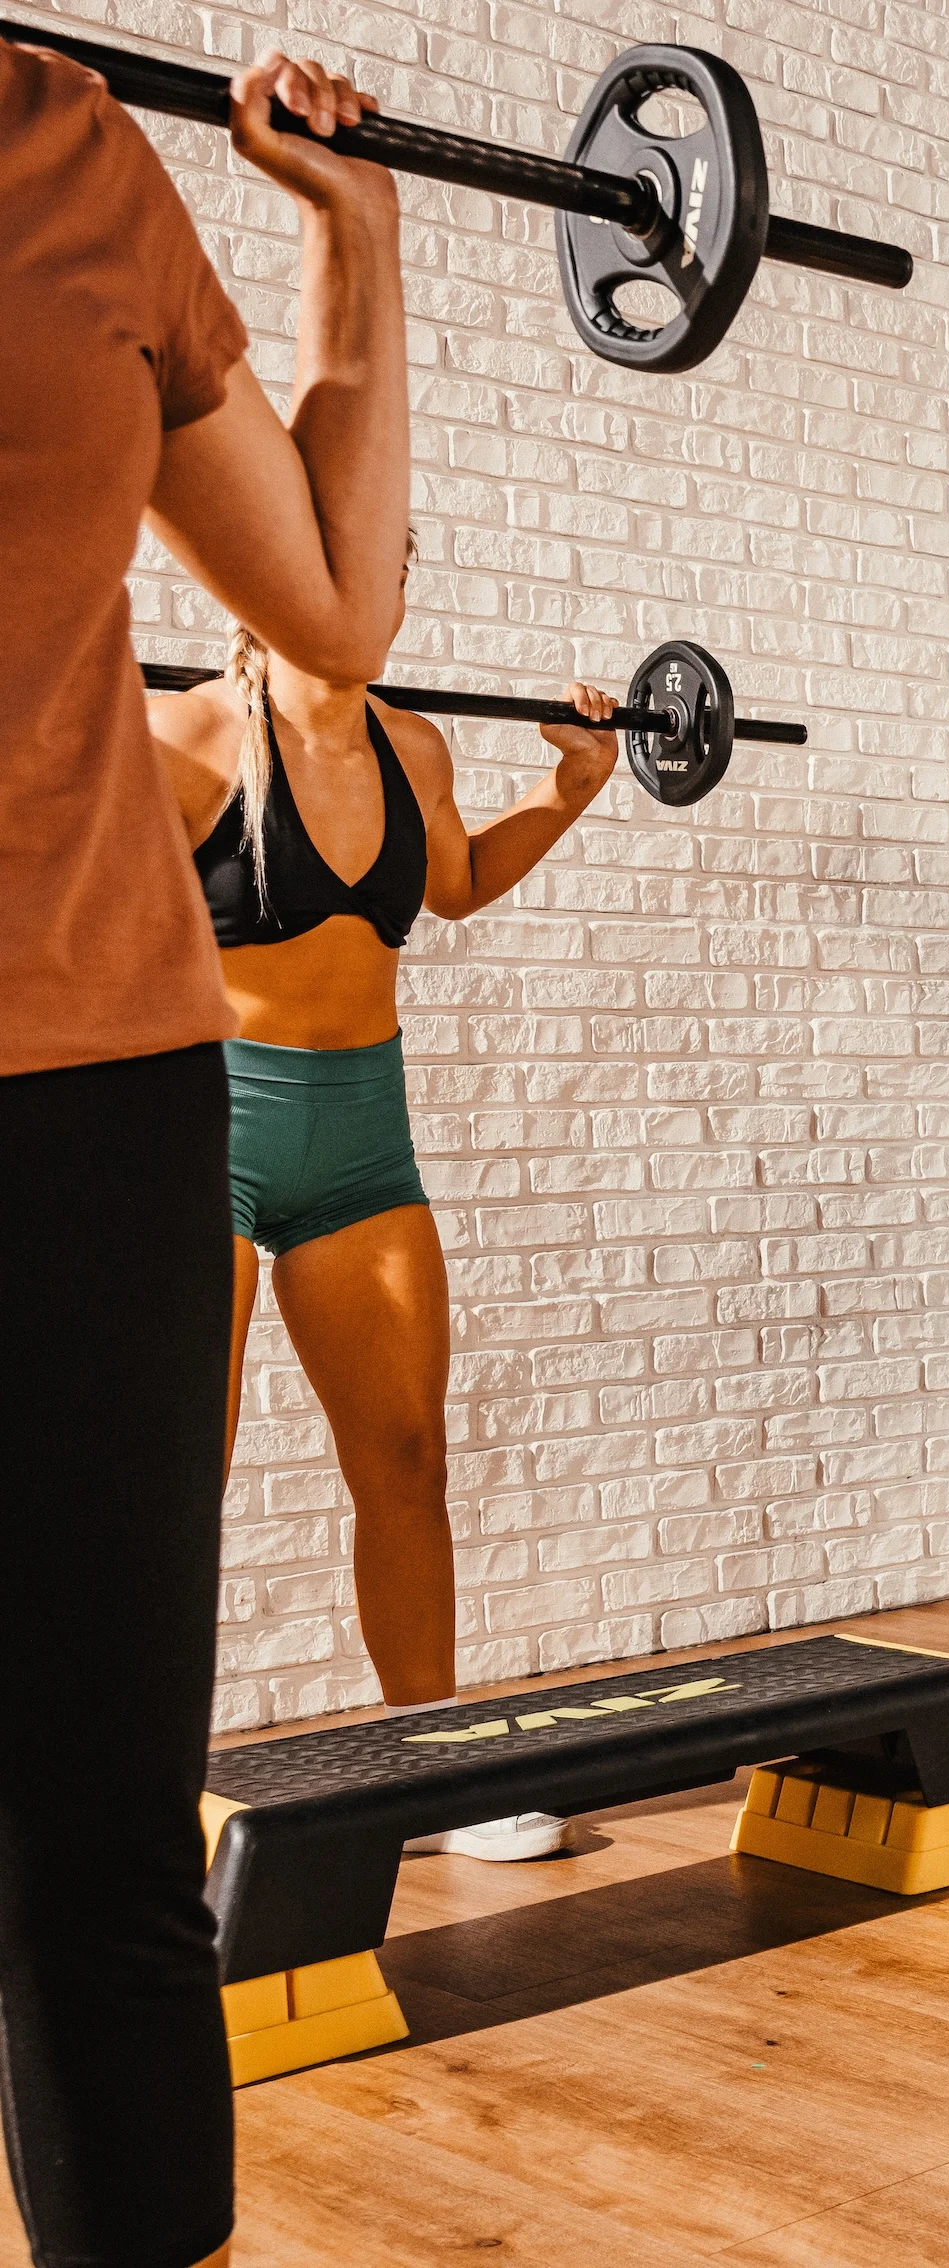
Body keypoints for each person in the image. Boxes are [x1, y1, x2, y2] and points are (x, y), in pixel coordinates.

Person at [1, 34, 408, 2268]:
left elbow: (331, 613)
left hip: (88, 1087)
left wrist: (354, 249)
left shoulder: (63, 140)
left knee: (96, 1858)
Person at [155, 632, 621, 1861]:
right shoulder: (196, 736)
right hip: (212, 1128)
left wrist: (567, 790)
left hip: (365, 1137)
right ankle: (131, 1795)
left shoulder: (411, 744)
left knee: (409, 1456)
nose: (366, 595)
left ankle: (438, 1767)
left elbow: (456, 882)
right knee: (173, 1483)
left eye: (386, 571)